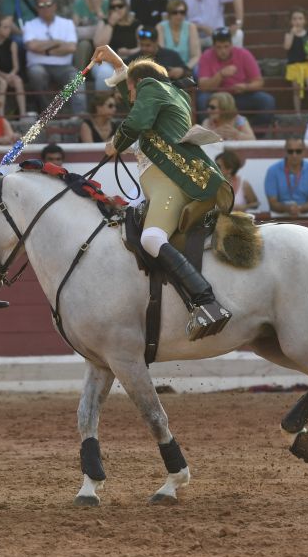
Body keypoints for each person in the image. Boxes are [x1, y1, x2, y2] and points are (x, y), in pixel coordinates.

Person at [91, 44, 232, 340]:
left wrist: (116, 142)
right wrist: (118, 60)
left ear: (138, 85)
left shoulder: (151, 88)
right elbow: (137, 97)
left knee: (152, 238)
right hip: (162, 182)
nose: (129, 99)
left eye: (131, 92)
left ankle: (206, 302)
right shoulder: (168, 92)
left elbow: (137, 119)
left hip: (170, 180)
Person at [196, 27, 275, 130]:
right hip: (216, 97)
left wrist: (245, 87)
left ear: (231, 45)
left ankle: (253, 135)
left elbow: (259, 82)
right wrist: (220, 75)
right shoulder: (206, 56)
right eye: (219, 47)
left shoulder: (244, 54)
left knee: (267, 101)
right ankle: (214, 134)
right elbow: (203, 86)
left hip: (241, 96)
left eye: (226, 46)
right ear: (213, 46)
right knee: (202, 100)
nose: (223, 51)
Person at [23, 0, 81, 115]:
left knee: (77, 79)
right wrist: (57, 42)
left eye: (48, 4)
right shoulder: (29, 25)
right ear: (37, 8)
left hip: (64, 67)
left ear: (55, 6)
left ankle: (80, 116)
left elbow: (71, 47)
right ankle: (48, 112)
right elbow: (32, 46)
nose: (45, 8)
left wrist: (44, 49)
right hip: (38, 66)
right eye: (41, 5)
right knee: (36, 74)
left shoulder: (67, 23)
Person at [90, 0, 142, 89]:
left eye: (120, 6)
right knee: (105, 73)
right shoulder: (104, 23)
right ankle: (102, 102)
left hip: (130, 61)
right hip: (106, 62)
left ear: (126, 7)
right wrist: (111, 23)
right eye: (113, 7)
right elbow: (98, 45)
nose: (117, 9)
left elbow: (142, 47)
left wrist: (129, 52)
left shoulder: (136, 25)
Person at [264, 137, 308, 218]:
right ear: (285, 151)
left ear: (304, 151)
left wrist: (299, 209)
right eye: (290, 151)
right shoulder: (272, 171)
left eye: (298, 151)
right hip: (279, 218)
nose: (294, 155)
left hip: (306, 217)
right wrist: (289, 209)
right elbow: (272, 203)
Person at [0, 14, 27, 119]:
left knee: (18, 81)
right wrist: (5, 76)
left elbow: (16, 66)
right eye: (5, 27)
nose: (9, 30)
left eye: (9, 27)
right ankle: (1, 115)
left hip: (10, 73)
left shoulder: (12, 43)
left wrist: (11, 74)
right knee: (2, 83)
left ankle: (23, 113)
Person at [284, 9, 308, 116]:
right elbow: (287, 46)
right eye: (294, 19)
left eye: (300, 18)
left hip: (306, 64)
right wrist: (292, 34)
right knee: (297, 89)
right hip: (294, 65)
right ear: (290, 21)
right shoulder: (288, 34)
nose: (297, 21)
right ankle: (297, 112)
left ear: (305, 21)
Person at [157, 0, 201, 77]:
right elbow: (161, 54)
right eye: (175, 13)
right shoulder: (160, 27)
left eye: (182, 12)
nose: (179, 15)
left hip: (187, 69)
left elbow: (196, 55)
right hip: (166, 69)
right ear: (169, 14)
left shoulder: (191, 27)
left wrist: (184, 69)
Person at [73, 0, 109, 65]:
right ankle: (79, 78)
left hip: (102, 41)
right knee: (83, 45)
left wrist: (98, 9)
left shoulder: (106, 3)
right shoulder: (79, 3)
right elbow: (74, 27)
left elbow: (107, 25)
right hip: (84, 40)